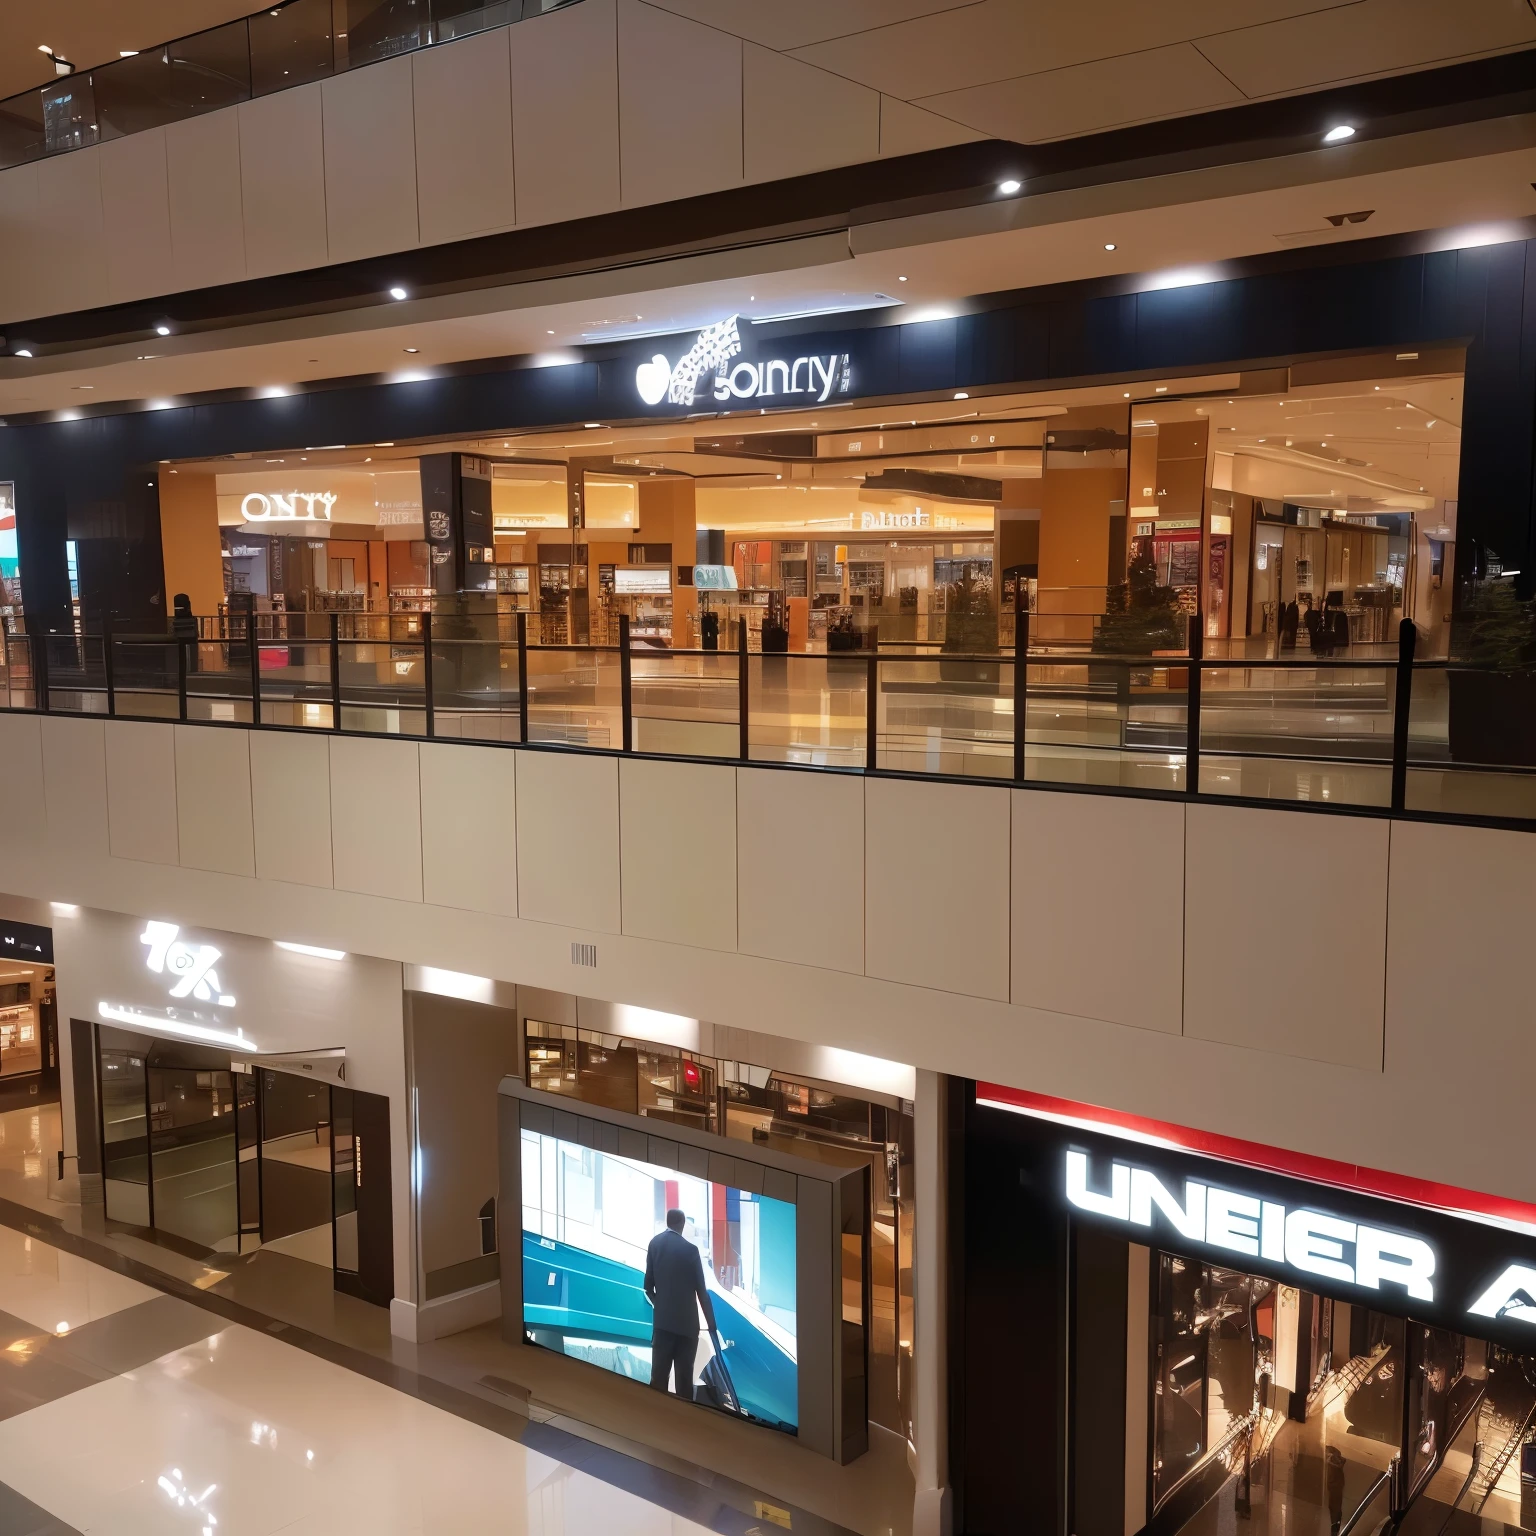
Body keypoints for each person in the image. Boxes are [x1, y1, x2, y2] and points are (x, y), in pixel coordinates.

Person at [643, 1207, 716, 1401]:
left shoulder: (654, 1244)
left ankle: (654, 1421)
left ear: (668, 1222)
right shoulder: (691, 1251)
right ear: (682, 1224)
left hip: (662, 1326)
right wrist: (712, 1325)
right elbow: (702, 1292)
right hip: (687, 1329)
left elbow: (647, 1286)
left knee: (658, 1379)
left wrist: (661, 1306)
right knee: (683, 1383)